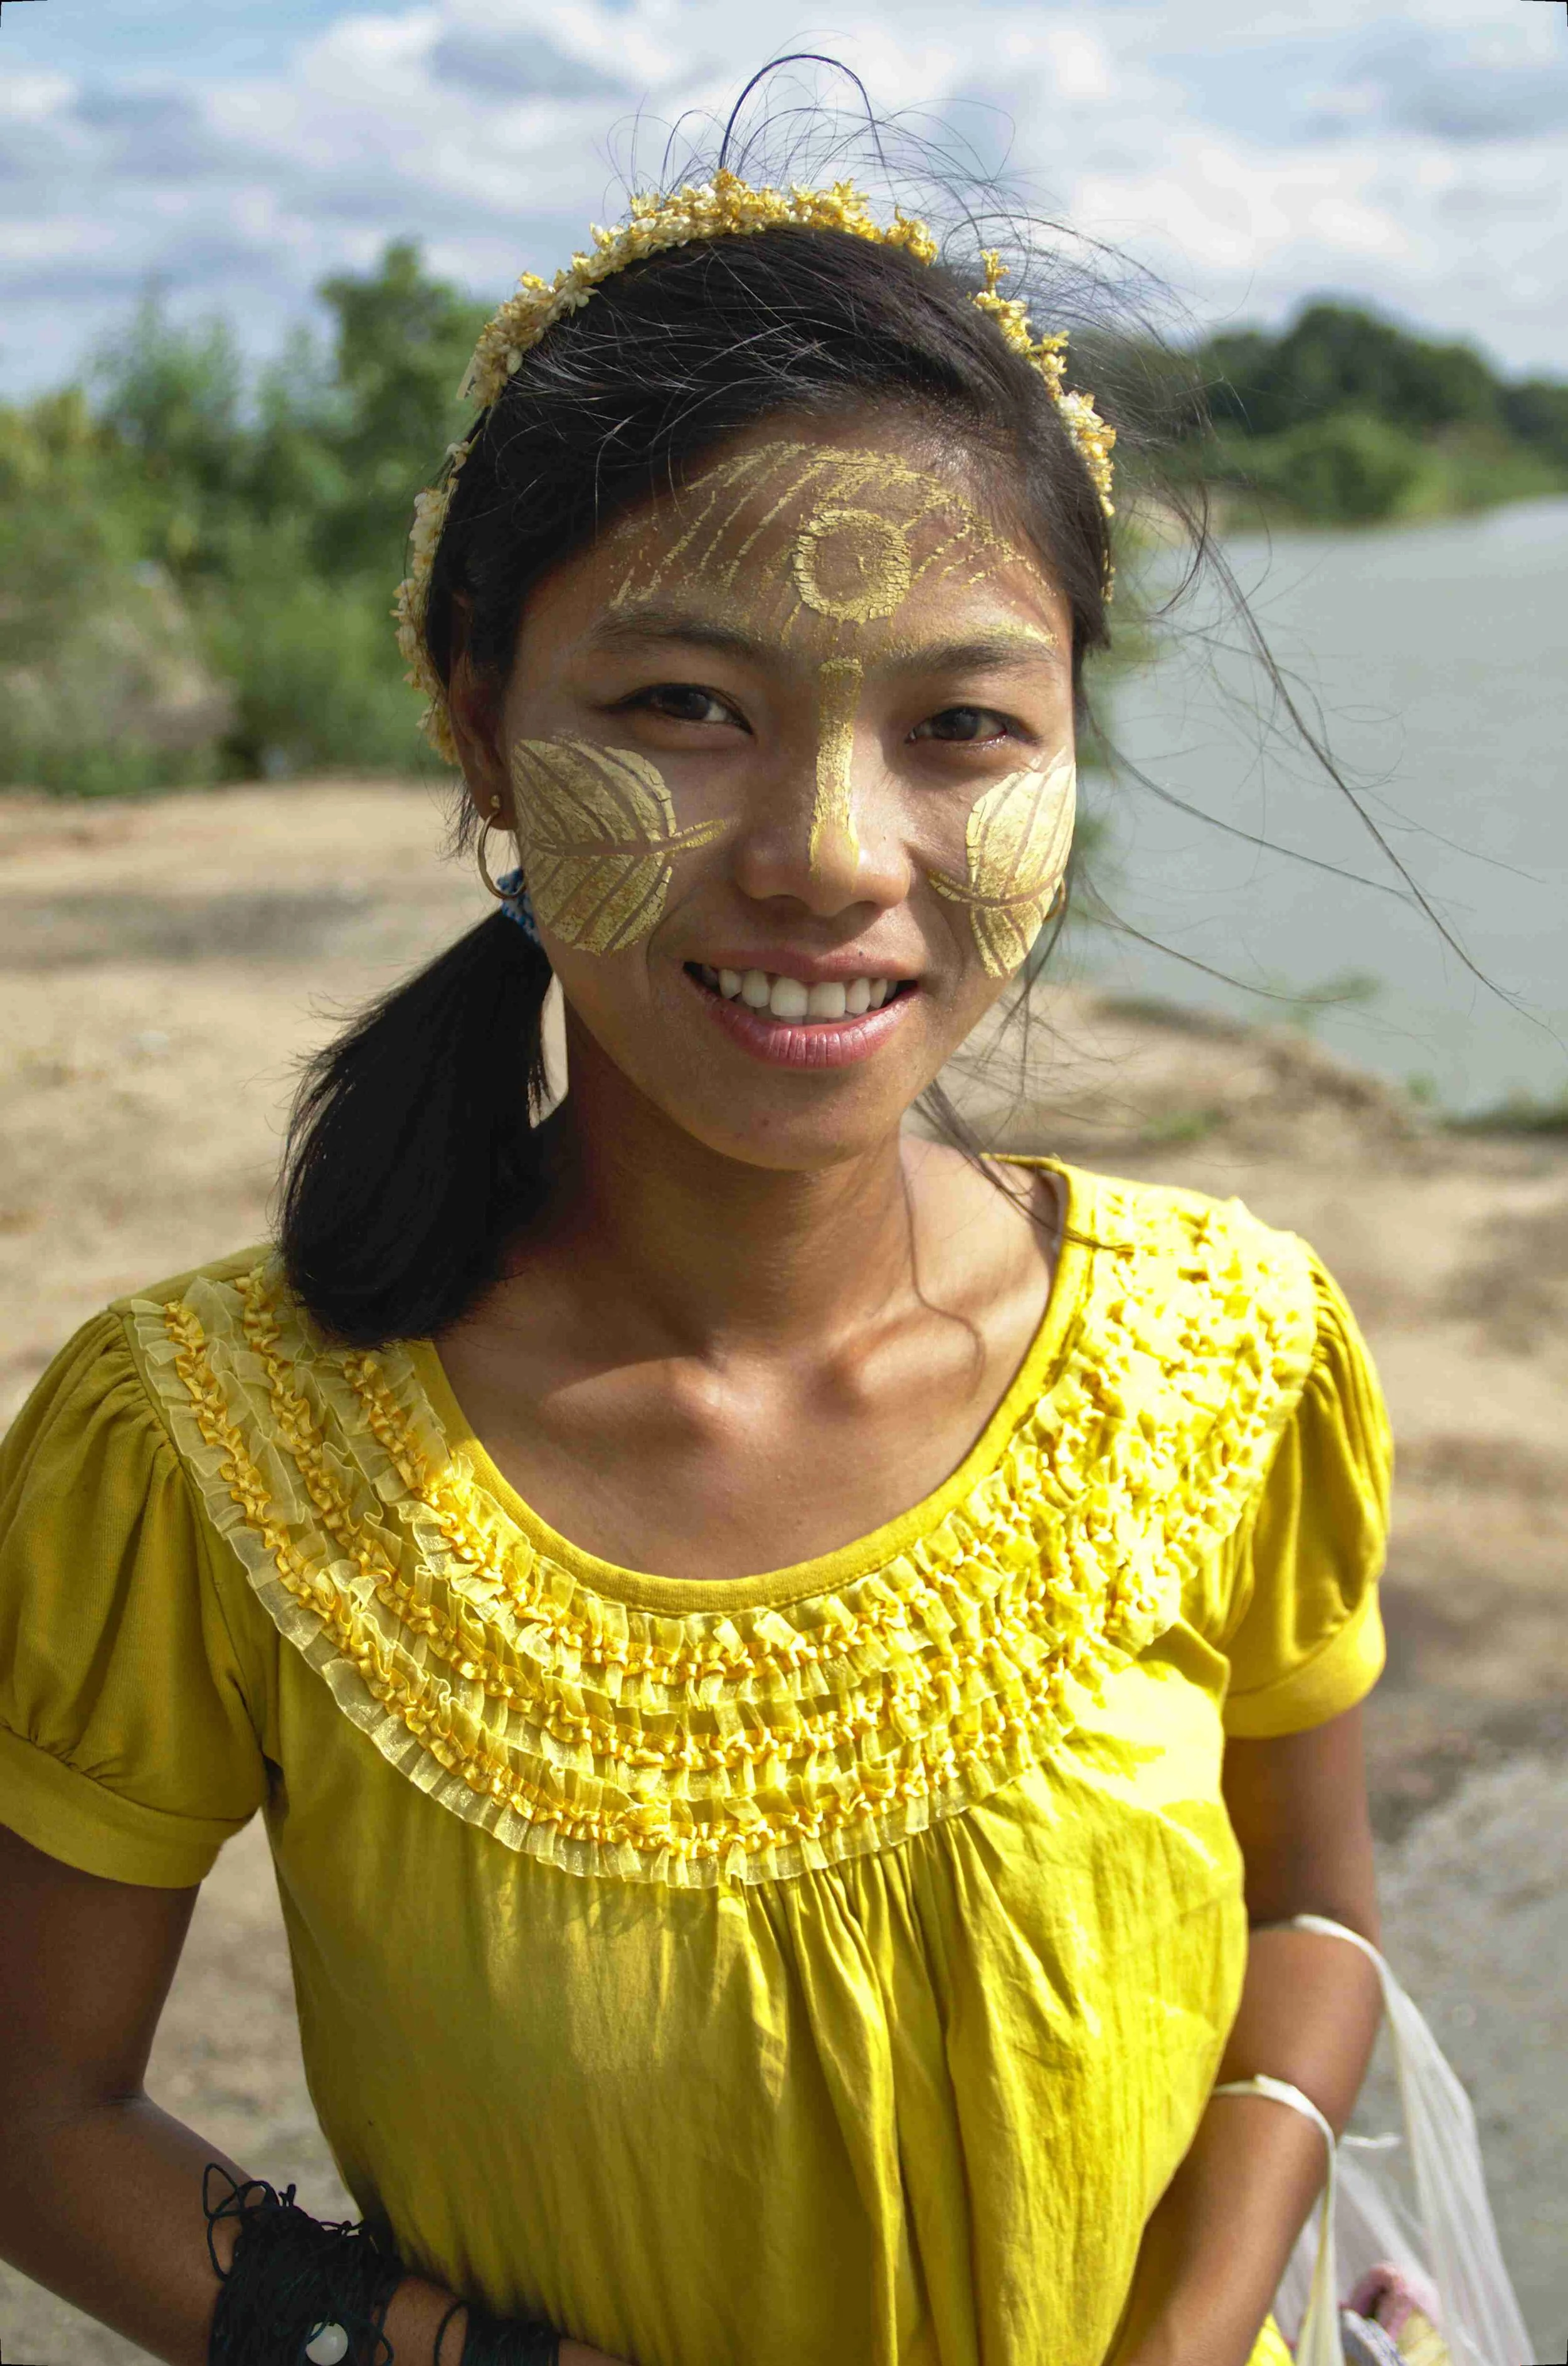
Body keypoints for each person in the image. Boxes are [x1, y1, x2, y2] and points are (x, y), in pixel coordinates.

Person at [0, 158, 1392, 2366]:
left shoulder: (1225, 1354)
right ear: (479, 723)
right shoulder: (204, 1448)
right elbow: (39, 2107)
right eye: (681, 705)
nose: (829, 856)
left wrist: (1192, 2333)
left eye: (960, 726)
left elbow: (1313, 1909)